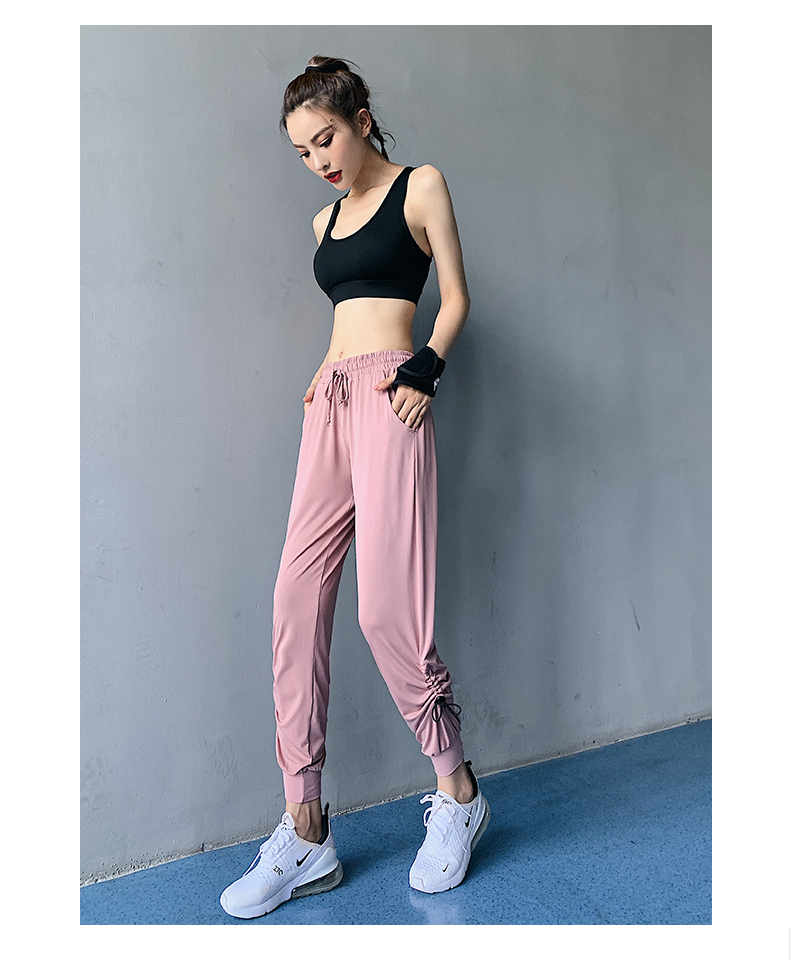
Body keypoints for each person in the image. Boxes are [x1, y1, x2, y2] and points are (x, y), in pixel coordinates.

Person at [220, 55, 489, 920]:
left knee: (386, 613)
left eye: (326, 139)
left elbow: (455, 298)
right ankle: (306, 829)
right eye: (302, 151)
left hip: (392, 398)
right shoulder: (323, 220)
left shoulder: (421, 185)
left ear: (362, 119)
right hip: (331, 401)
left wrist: (425, 370)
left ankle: (457, 790)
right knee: (294, 600)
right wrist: (324, 371)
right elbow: (346, 317)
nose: (318, 161)